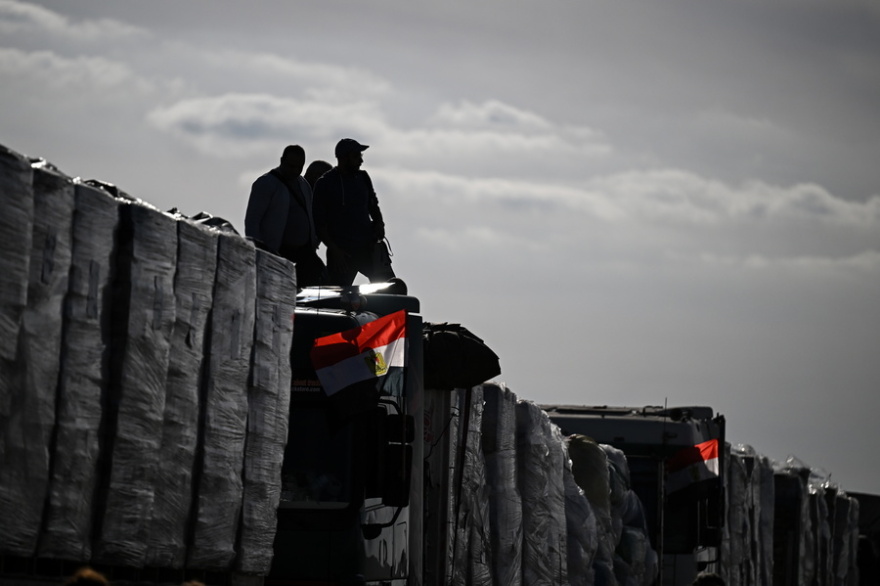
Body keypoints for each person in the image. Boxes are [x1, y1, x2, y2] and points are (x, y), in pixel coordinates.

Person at [312, 138, 395, 287]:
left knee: (390, 288)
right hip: (342, 254)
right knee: (336, 299)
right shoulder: (325, 183)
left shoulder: (363, 178)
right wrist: (334, 250)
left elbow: (373, 206)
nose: (361, 160)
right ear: (344, 157)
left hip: (368, 249)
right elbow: (320, 223)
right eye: (357, 156)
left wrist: (379, 223)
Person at [245, 145, 325, 287]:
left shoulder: (303, 184)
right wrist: (259, 252)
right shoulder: (266, 183)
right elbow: (252, 221)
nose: (294, 171)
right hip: (277, 252)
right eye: (290, 166)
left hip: (304, 252)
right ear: (282, 160)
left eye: (298, 167)